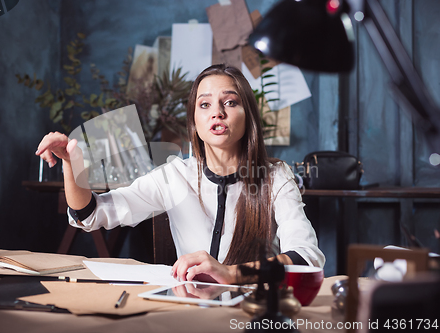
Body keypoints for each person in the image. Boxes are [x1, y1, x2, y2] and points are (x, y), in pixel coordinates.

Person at [36, 64, 325, 285]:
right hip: (191, 311)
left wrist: (229, 274)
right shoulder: (174, 175)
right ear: (195, 122)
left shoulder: (275, 176)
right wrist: (71, 164)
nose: (217, 113)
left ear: (247, 115)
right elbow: (91, 214)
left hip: (255, 311)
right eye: (205, 104)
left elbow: (307, 257)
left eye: (230, 102)